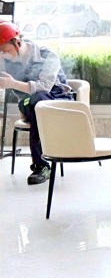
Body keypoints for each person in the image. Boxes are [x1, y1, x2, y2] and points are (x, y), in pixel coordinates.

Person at [0, 21, 75, 185]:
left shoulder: (47, 55)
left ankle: (41, 165)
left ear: (17, 43)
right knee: (33, 104)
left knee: (38, 102)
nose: (2, 55)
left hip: (58, 99)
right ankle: (42, 164)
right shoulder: (5, 60)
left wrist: (13, 83)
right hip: (30, 102)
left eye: (4, 51)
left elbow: (44, 87)